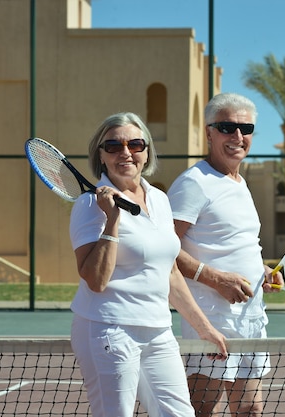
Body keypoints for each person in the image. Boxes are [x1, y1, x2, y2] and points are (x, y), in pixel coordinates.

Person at [68, 112, 228, 417]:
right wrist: (112, 219)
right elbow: (96, 280)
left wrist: (205, 328)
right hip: (109, 330)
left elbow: (170, 273)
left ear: (146, 151)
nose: (125, 152)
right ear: (101, 155)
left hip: (157, 330)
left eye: (135, 144)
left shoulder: (159, 199)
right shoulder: (89, 205)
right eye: (113, 146)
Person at [167, 93, 284, 417]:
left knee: (250, 410)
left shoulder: (239, 182)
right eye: (226, 126)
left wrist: (263, 271)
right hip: (212, 321)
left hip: (250, 319)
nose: (237, 136)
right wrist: (215, 278)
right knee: (200, 410)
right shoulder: (194, 183)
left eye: (245, 127)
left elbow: (231, 243)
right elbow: (162, 249)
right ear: (208, 132)